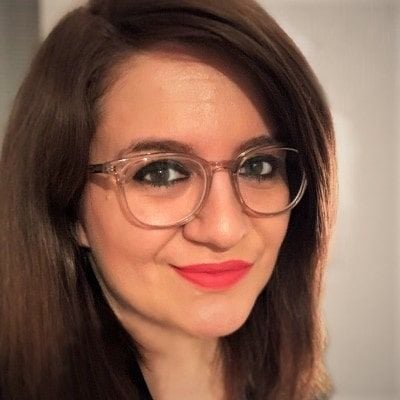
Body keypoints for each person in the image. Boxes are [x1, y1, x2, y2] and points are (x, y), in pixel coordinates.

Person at [0, 0, 337, 399]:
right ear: (69, 205)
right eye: (161, 172)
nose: (224, 229)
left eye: (259, 166)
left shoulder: (300, 386)